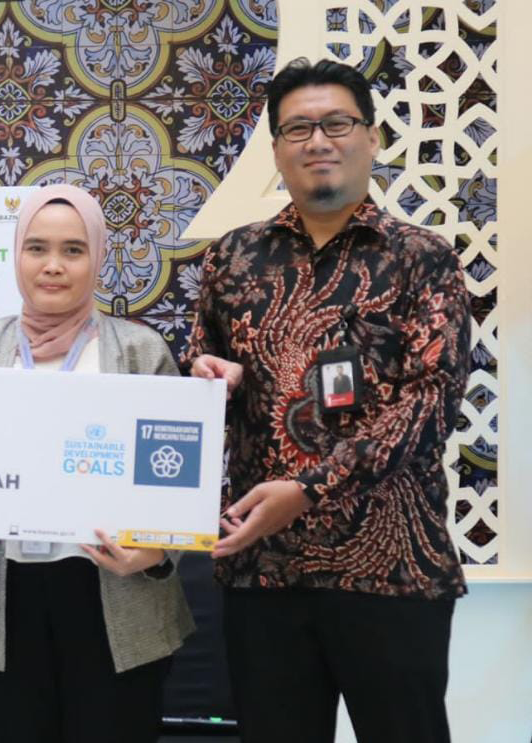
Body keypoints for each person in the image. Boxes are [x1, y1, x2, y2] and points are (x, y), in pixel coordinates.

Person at [185, 58, 471, 743]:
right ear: (276, 149)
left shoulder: (422, 258)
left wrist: (309, 489)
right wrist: (206, 380)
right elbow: (199, 383)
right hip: (263, 573)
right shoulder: (232, 259)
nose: (318, 140)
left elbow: (431, 404)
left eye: (337, 123)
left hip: (392, 573)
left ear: (371, 137)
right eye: (298, 128)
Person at [0, 184, 193, 743]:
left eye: (73, 250)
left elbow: (175, 476)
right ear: (16, 255)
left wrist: (155, 552)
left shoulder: (141, 352)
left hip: (114, 592)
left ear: (97, 257)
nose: (53, 265)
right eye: (37, 248)